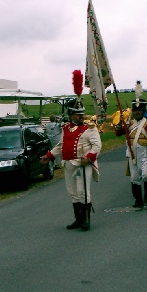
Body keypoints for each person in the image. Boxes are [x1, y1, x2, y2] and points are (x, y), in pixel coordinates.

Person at [40, 97, 101, 230]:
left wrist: (89, 157)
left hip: (83, 164)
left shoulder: (89, 128)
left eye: (82, 114)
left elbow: (97, 146)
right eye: (78, 114)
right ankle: (78, 219)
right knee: (73, 193)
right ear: (71, 115)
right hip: (68, 164)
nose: (81, 116)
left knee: (83, 192)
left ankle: (86, 220)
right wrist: (49, 156)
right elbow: (60, 146)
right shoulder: (66, 128)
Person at [115, 97, 147, 208]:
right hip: (132, 154)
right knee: (134, 178)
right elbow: (118, 133)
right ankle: (138, 200)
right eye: (136, 110)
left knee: (146, 175)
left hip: (145, 152)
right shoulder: (128, 123)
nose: (137, 112)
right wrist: (120, 121)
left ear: (143, 111)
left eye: (140, 110)